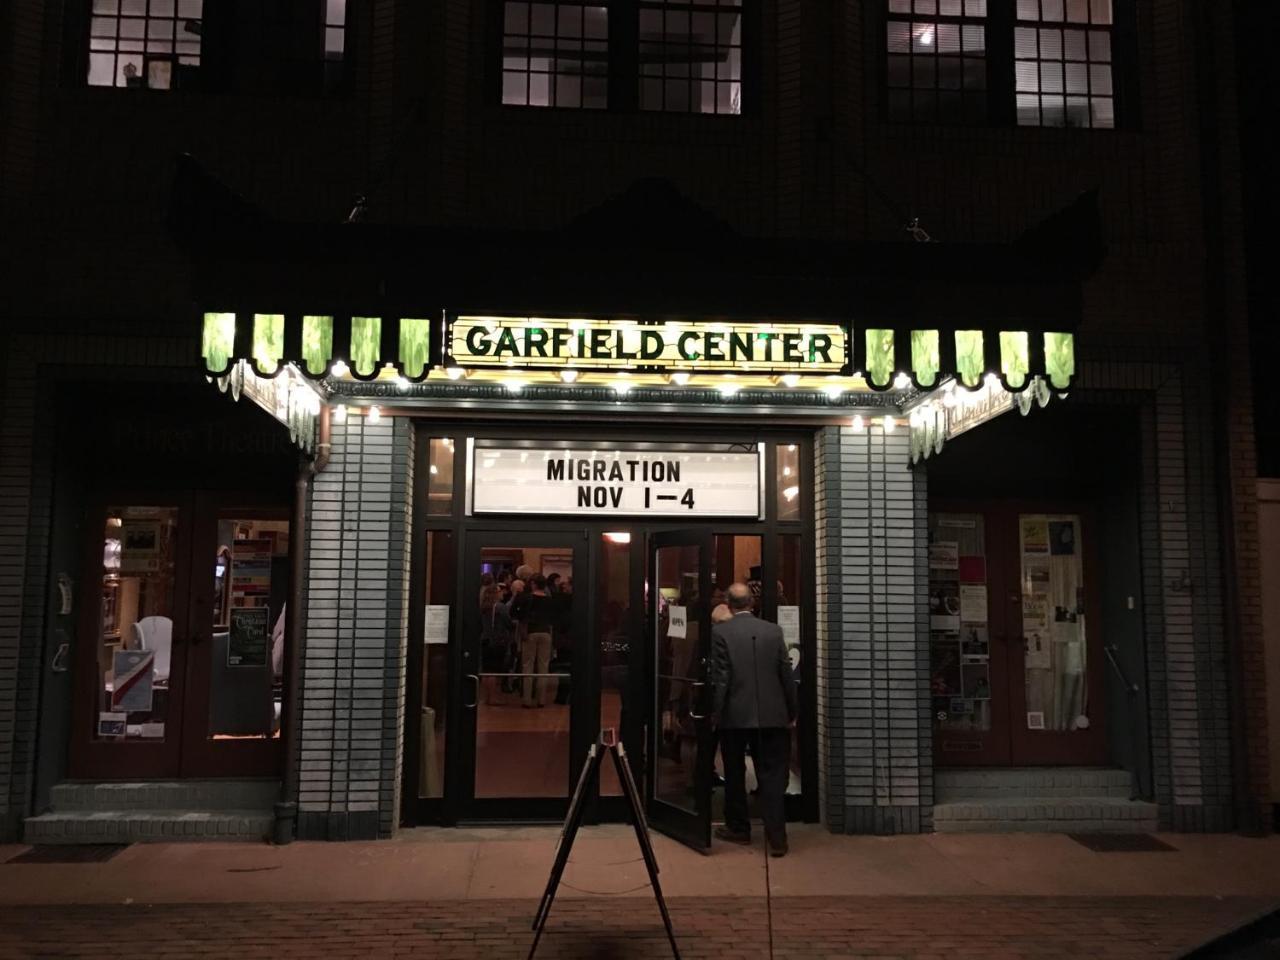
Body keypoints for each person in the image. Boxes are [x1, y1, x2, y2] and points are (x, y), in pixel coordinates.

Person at [710, 582, 797, 857]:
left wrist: (715, 713)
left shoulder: (721, 632)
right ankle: (777, 838)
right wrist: (791, 711)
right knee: (772, 777)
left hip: (735, 717)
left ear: (729, 603)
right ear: (752, 603)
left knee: (735, 774)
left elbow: (721, 679)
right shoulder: (773, 631)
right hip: (773, 716)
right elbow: (786, 674)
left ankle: (739, 828)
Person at [512, 574, 555, 708]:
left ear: (533, 584)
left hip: (530, 632)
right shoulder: (549, 600)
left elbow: (513, 612)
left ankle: (527, 699)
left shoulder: (526, 598)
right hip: (546, 632)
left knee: (528, 665)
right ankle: (541, 699)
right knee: (543, 666)